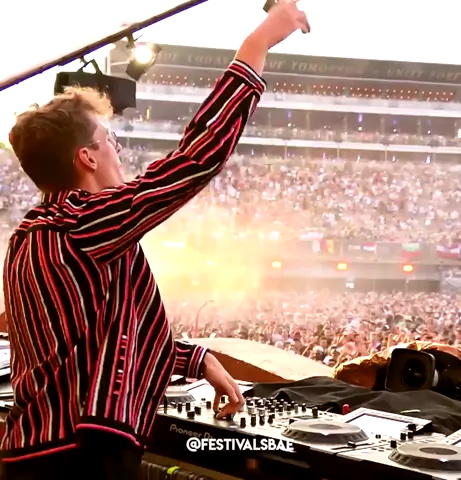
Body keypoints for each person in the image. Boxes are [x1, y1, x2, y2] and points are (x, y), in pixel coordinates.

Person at [0, 1, 310, 479]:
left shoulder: (33, 233)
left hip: (36, 451)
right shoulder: (82, 223)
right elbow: (194, 161)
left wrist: (196, 360)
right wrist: (258, 43)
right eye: (110, 140)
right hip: (79, 456)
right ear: (87, 157)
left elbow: (99, 338)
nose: (118, 149)